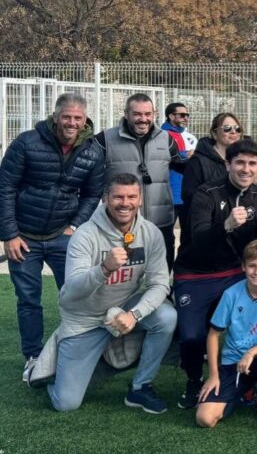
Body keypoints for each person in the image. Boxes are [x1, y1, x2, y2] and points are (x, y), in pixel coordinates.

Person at [46, 173, 176, 413]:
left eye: (131, 197)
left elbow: (160, 284)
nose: (125, 203)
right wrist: (104, 269)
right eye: (118, 197)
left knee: (167, 317)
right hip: (84, 319)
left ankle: (140, 387)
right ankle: (50, 368)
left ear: (140, 199)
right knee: (65, 403)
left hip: (122, 309)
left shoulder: (150, 233)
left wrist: (134, 315)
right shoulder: (85, 235)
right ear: (105, 198)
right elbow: (71, 292)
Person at [0, 93, 105, 381]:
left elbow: (93, 193)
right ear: (56, 117)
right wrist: (9, 234)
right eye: (67, 117)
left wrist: (75, 226)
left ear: (85, 120)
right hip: (24, 237)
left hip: (64, 235)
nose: (72, 123)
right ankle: (33, 357)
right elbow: (5, 187)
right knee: (28, 299)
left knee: (77, 296)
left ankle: (81, 354)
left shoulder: (93, 151)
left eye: (78, 118)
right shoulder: (26, 142)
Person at [173, 139, 257, 410]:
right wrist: (226, 224)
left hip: (233, 273)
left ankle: (249, 379)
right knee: (192, 336)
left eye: (252, 164)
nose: (246, 169)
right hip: (194, 274)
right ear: (228, 164)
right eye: (240, 163)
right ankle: (194, 380)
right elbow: (198, 239)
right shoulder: (206, 193)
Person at [195, 239, 257, 427]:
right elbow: (213, 335)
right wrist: (213, 374)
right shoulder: (231, 294)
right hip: (234, 362)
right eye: (252, 266)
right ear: (243, 266)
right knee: (205, 419)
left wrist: (251, 352)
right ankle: (245, 391)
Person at [96, 93, 188, 268]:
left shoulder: (167, 139)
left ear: (154, 114)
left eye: (148, 114)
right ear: (126, 114)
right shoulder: (104, 140)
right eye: (137, 114)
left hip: (161, 223)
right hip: (121, 225)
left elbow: (184, 167)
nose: (143, 119)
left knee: (162, 273)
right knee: (124, 275)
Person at [180, 112, 243, 244]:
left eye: (237, 129)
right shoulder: (198, 161)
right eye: (227, 128)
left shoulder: (242, 162)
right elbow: (190, 198)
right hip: (206, 232)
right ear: (214, 133)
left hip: (234, 233)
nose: (233, 132)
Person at [161, 102, 197, 229]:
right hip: (171, 192)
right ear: (171, 116)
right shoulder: (163, 134)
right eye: (182, 115)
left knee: (188, 232)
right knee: (166, 233)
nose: (186, 118)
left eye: (187, 115)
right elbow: (170, 157)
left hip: (185, 190)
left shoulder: (185, 135)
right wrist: (187, 154)